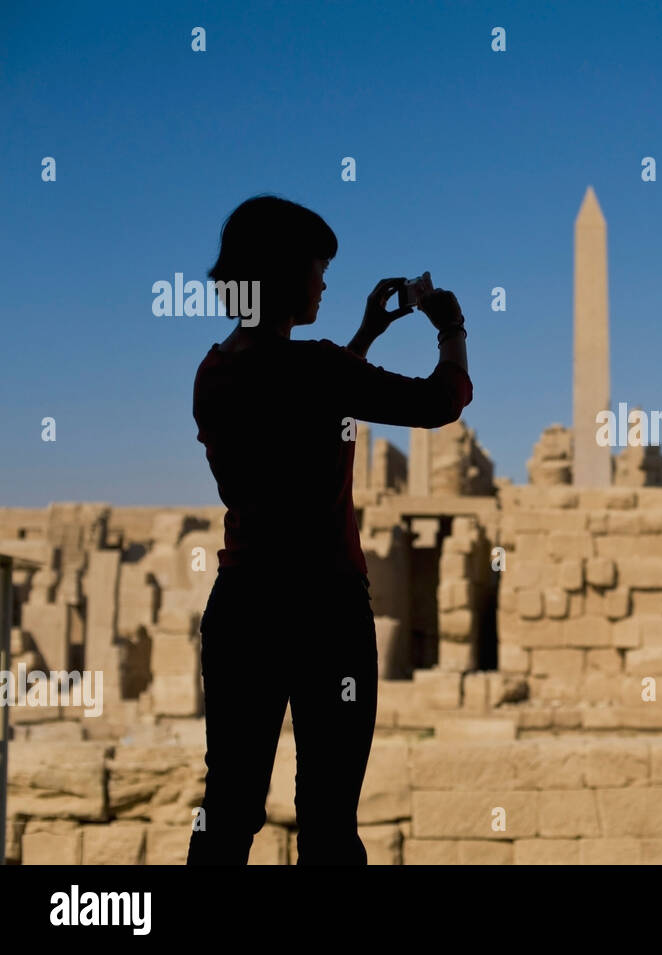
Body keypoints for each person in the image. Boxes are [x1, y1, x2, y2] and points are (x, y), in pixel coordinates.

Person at [187, 195, 471, 864]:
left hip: (243, 603)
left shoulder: (214, 372)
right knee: (328, 817)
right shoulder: (317, 370)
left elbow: (297, 402)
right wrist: (450, 326)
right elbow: (440, 401)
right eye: (317, 270)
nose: (322, 284)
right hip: (325, 609)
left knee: (226, 806)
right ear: (285, 276)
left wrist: (365, 335)